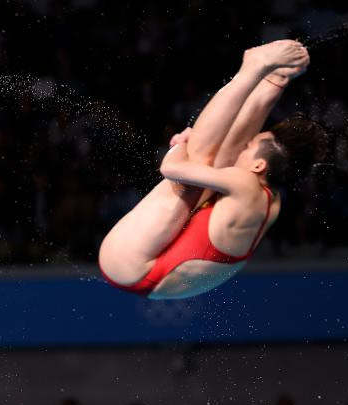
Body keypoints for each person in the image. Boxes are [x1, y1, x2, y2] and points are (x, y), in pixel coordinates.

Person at [99, 41, 324, 298]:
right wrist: (277, 81)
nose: (245, 146)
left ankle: (251, 70)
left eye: (250, 147)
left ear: (260, 164)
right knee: (221, 158)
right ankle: (275, 78)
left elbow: (170, 167)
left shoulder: (244, 184)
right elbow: (236, 144)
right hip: (149, 274)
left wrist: (181, 143)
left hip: (131, 265)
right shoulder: (269, 197)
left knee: (199, 159)